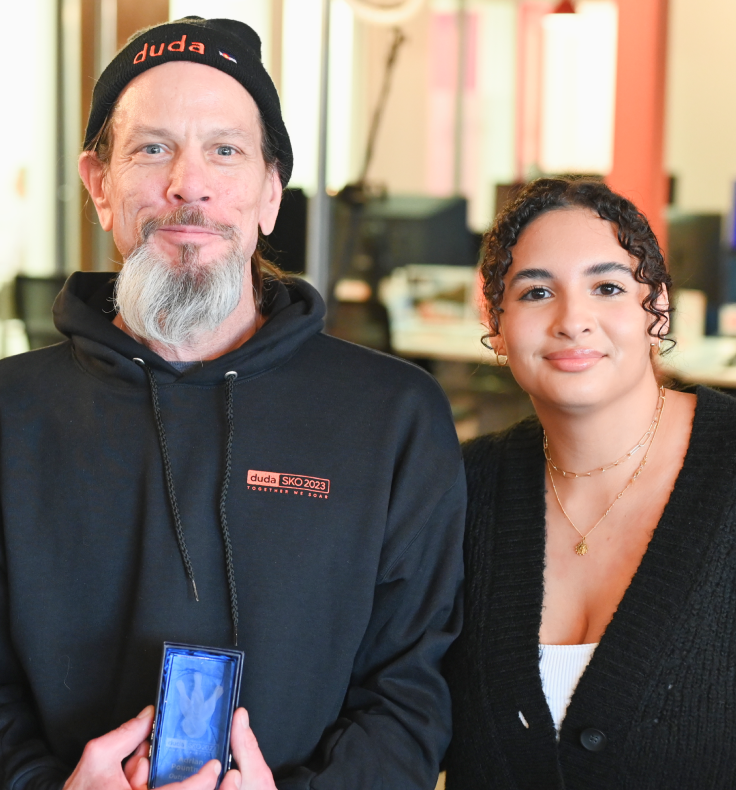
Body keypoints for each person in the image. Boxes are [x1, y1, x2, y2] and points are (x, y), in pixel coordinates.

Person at [0, 17, 465, 790]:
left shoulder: (392, 417)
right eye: (152, 149)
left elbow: (413, 694)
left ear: (270, 194)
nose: (190, 183)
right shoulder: (11, 414)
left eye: (226, 149)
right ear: (98, 186)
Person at [444, 177, 736, 789]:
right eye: (536, 291)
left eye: (607, 287)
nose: (573, 320)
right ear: (497, 325)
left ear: (656, 309)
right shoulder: (461, 489)